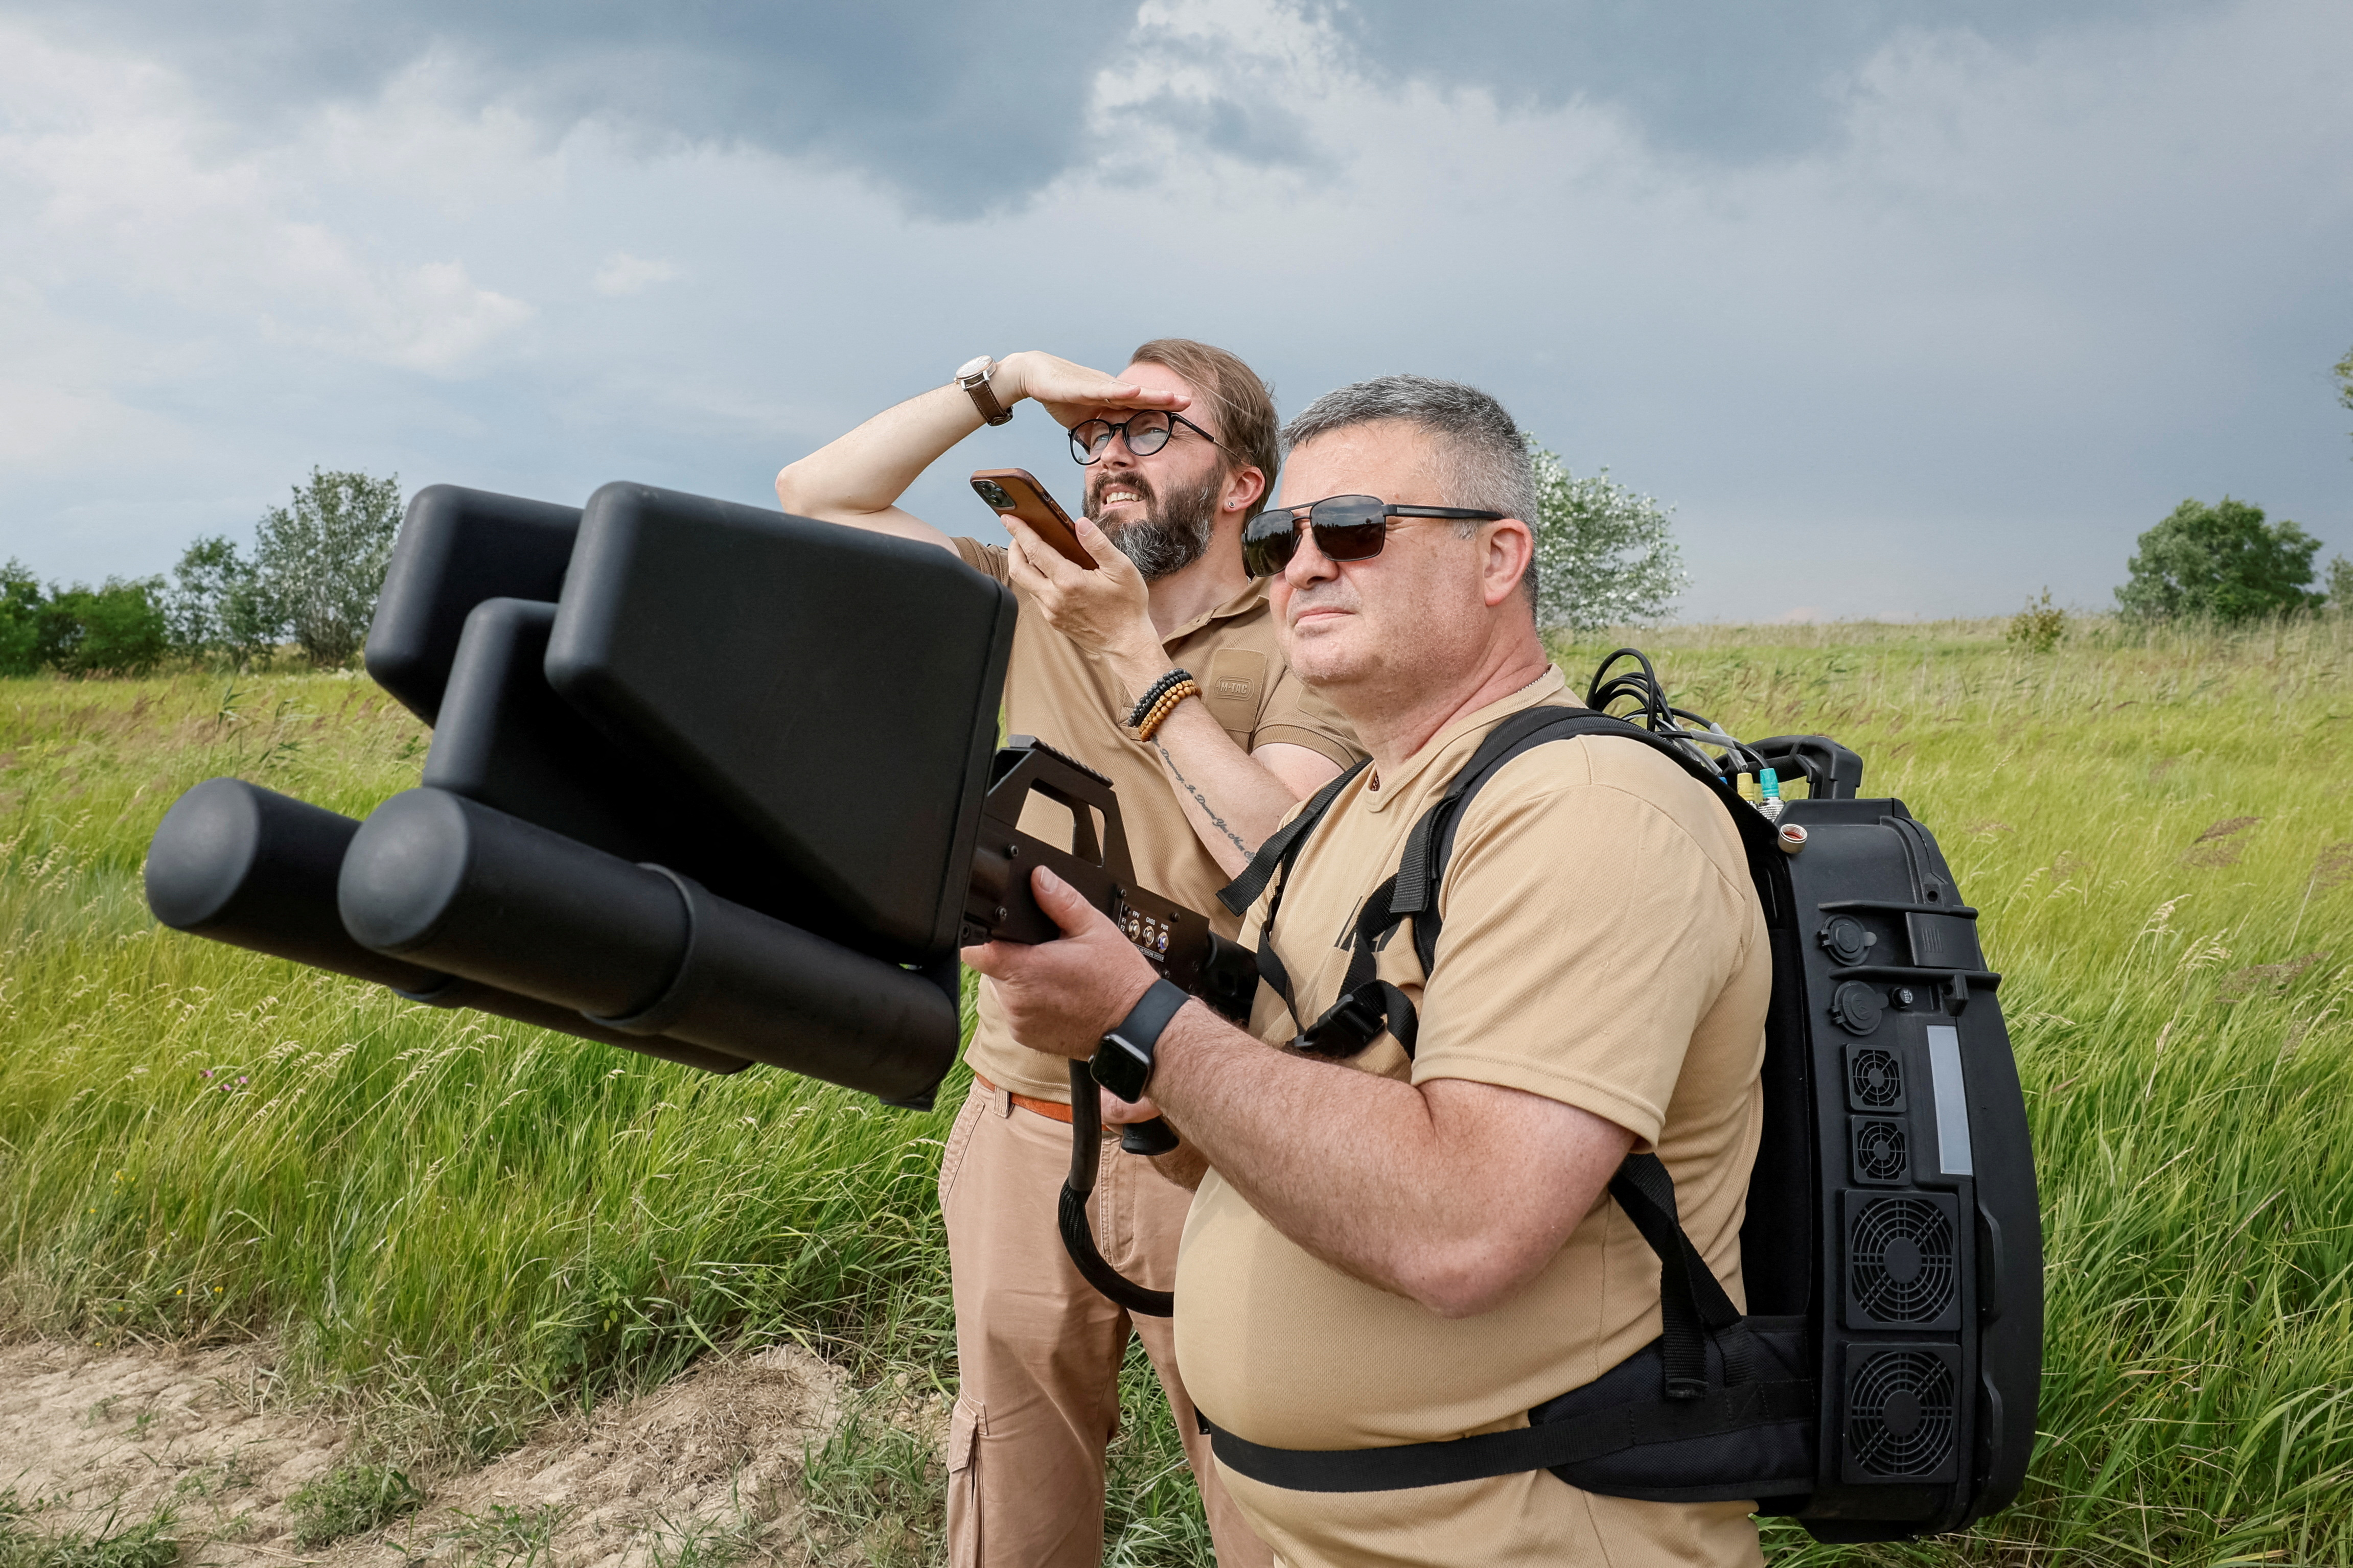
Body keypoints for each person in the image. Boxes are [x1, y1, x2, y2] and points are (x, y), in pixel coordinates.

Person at [963, 374, 1772, 1567]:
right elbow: (1300, 1115)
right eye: (1286, 537)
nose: (1299, 566)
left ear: (1501, 558)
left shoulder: (1590, 809)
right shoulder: (1363, 812)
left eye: (1353, 529)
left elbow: (1467, 1224)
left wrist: (1148, 1024)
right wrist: (1167, 1086)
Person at [775, 343, 1361, 1568]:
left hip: (1222, 1125)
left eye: (1149, 431)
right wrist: (1006, 378)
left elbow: (1279, 841)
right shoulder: (1019, 587)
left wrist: (1128, 653)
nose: (1107, 459)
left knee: (1270, 1487)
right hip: (1025, 1111)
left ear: (1243, 481)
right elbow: (814, 496)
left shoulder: (1300, 630)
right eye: (1091, 434)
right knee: (1012, 1483)